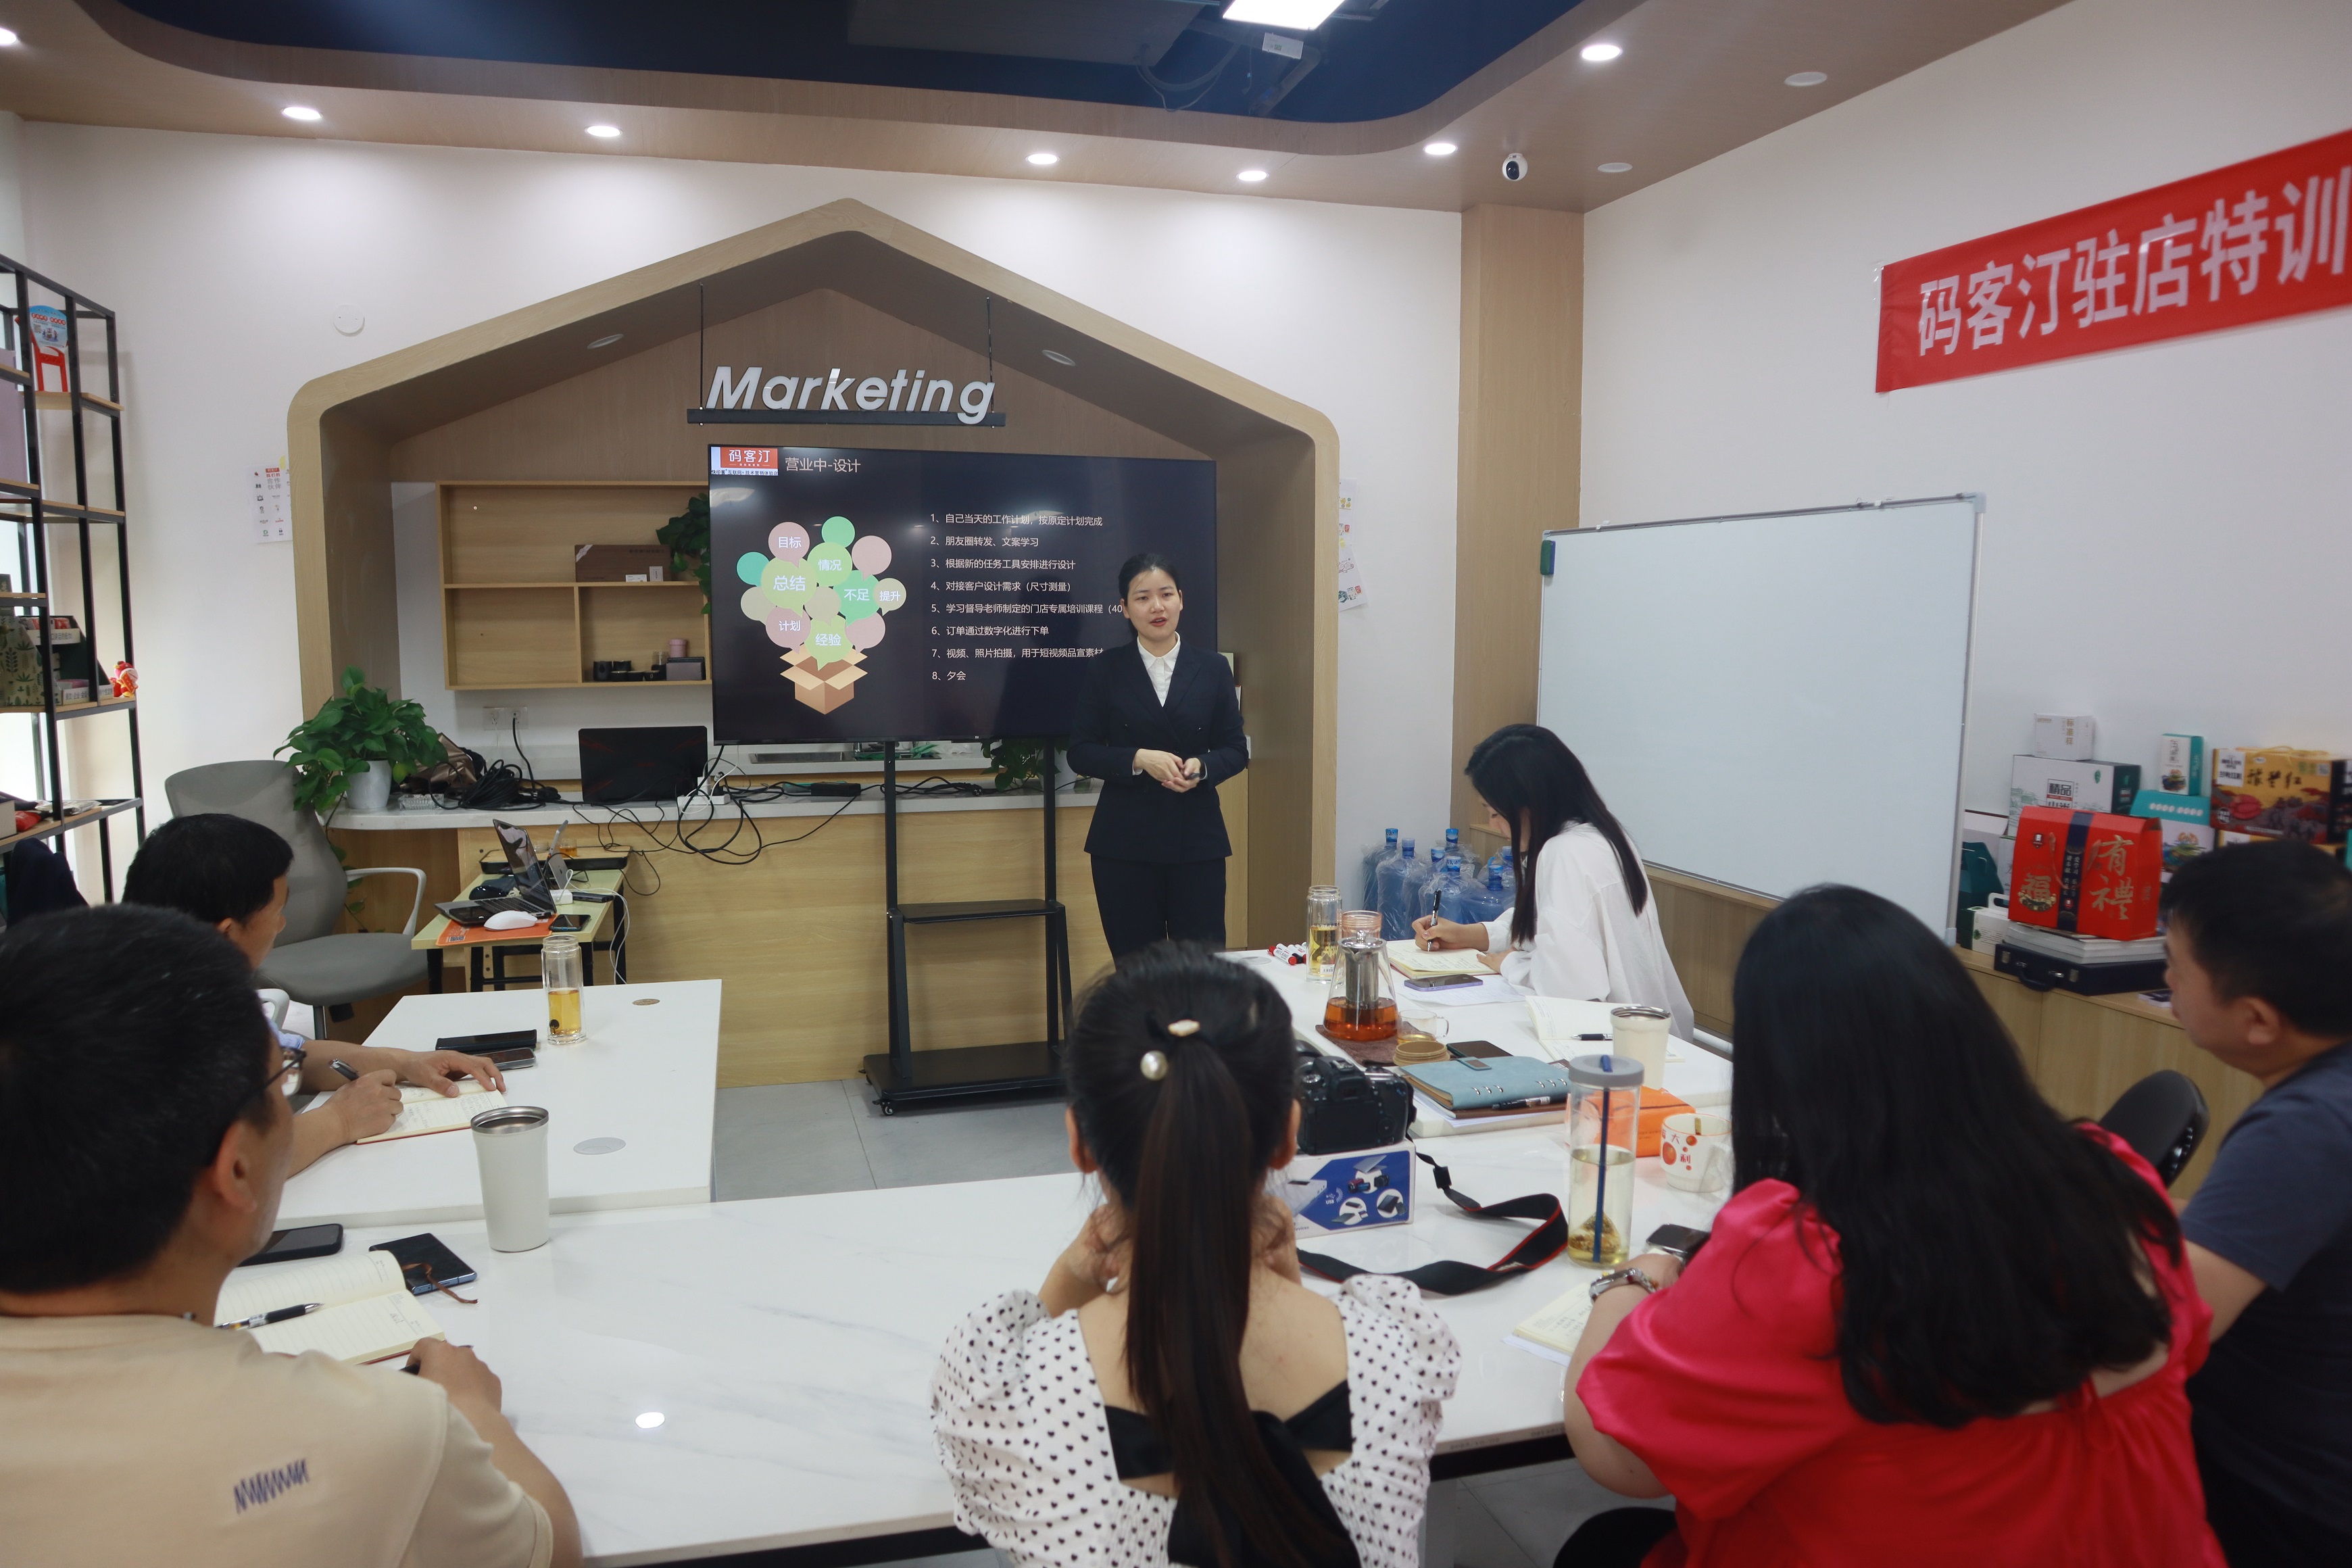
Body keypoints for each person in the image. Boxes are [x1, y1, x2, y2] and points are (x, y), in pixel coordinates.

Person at [1557, 885, 2220, 1567]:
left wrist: (1630, 1283)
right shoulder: (2118, 1186)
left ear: (1782, 1078)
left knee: (1602, 1547)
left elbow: (1618, 1456)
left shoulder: (1809, 1265)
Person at [0, 903, 581, 1568]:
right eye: (284, 1081)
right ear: (236, 1170)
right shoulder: (376, 1436)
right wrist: (474, 1410)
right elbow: (551, 1546)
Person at [931, 943, 1459, 1567]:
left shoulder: (1012, 1397)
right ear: (1289, 1136)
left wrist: (1071, 1277)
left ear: (1080, 1143)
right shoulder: (1396, 1359)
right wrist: (1288, 1285)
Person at [2160, 839, 2352, 1565]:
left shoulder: (2308, 1129)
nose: (2166, 978)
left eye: (2178, 965)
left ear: (2259, 1020)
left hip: (2285, 1497)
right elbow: (2261, 1231)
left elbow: (2167, 1319)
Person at [124, 812, 504, 1173]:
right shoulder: (148, 1028)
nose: (281, 925)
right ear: (227, 934)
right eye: (277, 912)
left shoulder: (194, 984)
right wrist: (338, 1120)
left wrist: (405, 1063)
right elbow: (229, 1166)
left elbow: (291, 1059)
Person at [1412, 725, 1692, 1037]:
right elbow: (1549, 926)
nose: (1493, 825)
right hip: (1647, 1032)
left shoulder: (1565, 853)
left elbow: (1567, 988)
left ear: (1529, 806)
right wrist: (1472, 935)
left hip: (1613, 1040)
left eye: (1495, 813)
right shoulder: (1600, 836)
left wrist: (1510, 964)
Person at [1067, 554, 1248, 958]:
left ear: (1181, 599)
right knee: (1136, 972)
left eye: (1166, 594)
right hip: (1124, 844)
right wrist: (1138, 758)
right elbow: (1081, 751)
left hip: (1196, 840)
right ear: (1125, 608)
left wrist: (1202, 767)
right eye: (1143, 597)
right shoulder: (1105, 669)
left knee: (1200, 968)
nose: (1156, 606)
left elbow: (1235, 749)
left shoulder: (1213, 668)